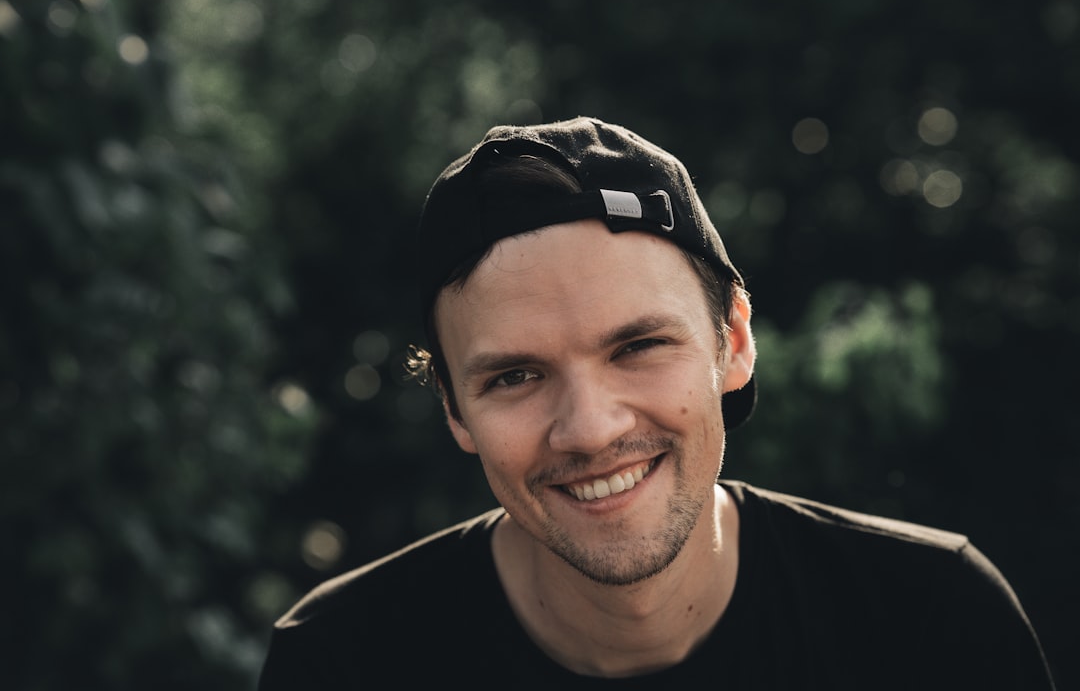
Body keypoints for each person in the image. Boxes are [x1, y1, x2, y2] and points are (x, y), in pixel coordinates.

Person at [257, 117, 1056, 688]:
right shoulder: (343, 664)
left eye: (637, 347)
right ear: (455, 412)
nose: (591, 428)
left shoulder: (932, 624)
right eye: (515, 378)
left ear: (734, 342)